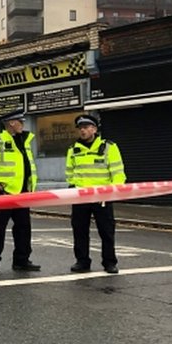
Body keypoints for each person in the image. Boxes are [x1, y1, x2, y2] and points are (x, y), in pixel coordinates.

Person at [0, 110, 41, 274]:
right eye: (21, 121)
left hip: (23, 193)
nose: (23, 124)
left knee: (23, 229)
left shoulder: (25, 141)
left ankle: (21, 260)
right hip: (4, 194)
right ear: (12, 123)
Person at [65, 113, 126, 274]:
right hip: (80, 197)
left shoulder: (108, 147)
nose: (82, 131)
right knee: (79, 231)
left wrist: (112, 192)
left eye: (86, 127)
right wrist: (73, 188)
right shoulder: (73, 149)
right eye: (80, 128)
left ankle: (109, 262)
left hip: (102, 198)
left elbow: (118, 173)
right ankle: (82, 261)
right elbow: (70, 173)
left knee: (106, 232)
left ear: (94, 129)